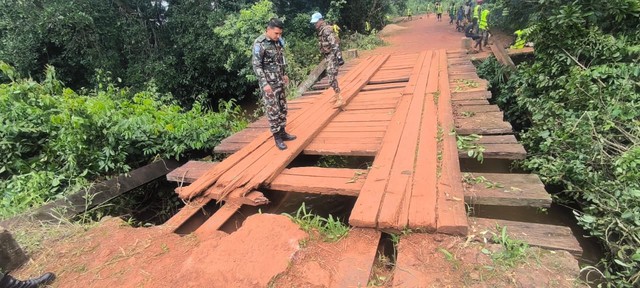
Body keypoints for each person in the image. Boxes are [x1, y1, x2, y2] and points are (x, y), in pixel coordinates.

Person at [252, 18, 296, 150]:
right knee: (273, 110)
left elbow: (280, 60)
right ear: (268, 29)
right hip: (269, 84)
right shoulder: (259, 43)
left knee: (282, 108)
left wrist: (284, 74)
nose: (278, 36)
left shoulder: (278, 42)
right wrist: (264, 83)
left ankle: (282, 132)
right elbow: (256, 66)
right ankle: (277, 137)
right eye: (276, 33)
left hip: (279, 81)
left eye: (280, 33)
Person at [310, 12, 345, 110]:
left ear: (321, 20)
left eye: (316, 22)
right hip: (328, 56)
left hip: (332, 56)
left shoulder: (326, 30)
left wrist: (339, 57)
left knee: (331, 77)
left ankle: (339, 98)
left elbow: (334, 43)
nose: (315, 24)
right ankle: (337, 94)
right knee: (331, 76)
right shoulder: (322, 30)